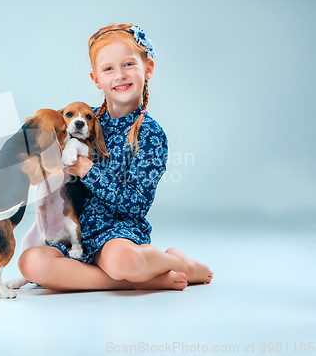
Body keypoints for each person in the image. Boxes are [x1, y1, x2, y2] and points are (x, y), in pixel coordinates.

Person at [17, 23, 213, 291]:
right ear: (96, 78)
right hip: (74, 234)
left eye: (128, 64)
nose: (119, 75)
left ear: (148, 69)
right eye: (108, 68)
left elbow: (136, 205)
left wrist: (89, 170)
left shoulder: (150, 134)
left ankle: (176, 263)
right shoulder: (83, 118)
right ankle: (147, 280)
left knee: (121, 260)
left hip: (117, 233)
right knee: (31, 263)